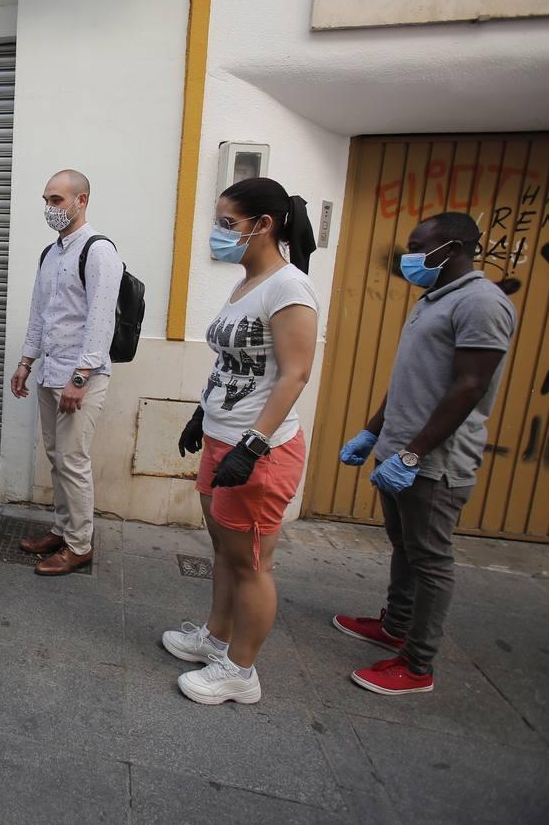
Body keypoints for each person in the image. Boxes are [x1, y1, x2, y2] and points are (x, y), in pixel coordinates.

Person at [333, 212, 515, 695]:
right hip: (399, 449)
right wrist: (373, 432)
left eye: (418, 246)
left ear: (451, 248)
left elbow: (469, 385)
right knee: (405, 546)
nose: (409, 256)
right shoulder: (433, 300)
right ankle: (396, 623)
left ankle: (417, 664)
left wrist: (414, 453)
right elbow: (410, 380)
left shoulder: (481, 303)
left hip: (435, 461)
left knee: (431, 558)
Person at [164, 177, 319, 705]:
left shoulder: (288, 286)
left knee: (252, 562)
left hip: (259, 452)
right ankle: (217, 637)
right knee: (224, 550)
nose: (217, 233)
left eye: (227, 224)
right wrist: (199, 413)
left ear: (263, 226)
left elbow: (294, 375)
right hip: (221, 437)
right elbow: (236, 364)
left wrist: (253, 444)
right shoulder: (246, 284)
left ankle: (241, 672)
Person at [9, 170, 123, 576]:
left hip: (80, 377)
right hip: (49, 372)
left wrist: (81, 377)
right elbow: (40, 314)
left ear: (82, 200)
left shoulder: (99, 251)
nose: (49, 209)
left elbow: (100, 318)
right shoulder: (51, 253)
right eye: (46, 200)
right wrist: (26, 362)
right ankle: (62, 528)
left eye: (57, 200)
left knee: (73, 459)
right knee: (57, 457)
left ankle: (80, 545)